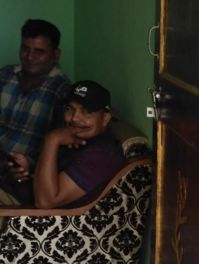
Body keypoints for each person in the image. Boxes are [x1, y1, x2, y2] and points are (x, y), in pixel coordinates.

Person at [0, 80, 125, 209]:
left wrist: (51, 140)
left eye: (87, 111)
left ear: (105, 118)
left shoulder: (101, 155)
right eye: (70, 109)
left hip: (14, 208)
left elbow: (45, 202)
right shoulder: (76, 137)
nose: (74, 118)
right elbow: (53, 176)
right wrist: (30, 167)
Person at [0, 19, 71, 177]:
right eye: (25, 49)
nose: (30, 57)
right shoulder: (5, 75)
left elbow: (62, 146)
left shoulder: (62, 91)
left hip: (22, 173)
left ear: (56, 55)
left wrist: (31, 164)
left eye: (39, 51)